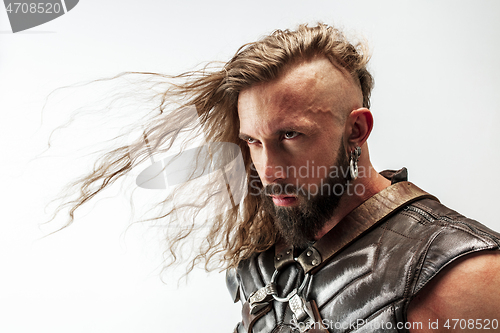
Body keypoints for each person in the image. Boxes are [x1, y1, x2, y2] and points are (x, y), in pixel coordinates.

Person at [57, 24, 500, 332]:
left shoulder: (464, 276)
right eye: (252, 141)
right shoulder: (276, 247)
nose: (268, 172)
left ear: (357, 130)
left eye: (290, 135)